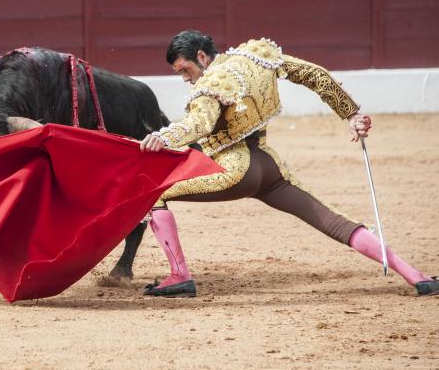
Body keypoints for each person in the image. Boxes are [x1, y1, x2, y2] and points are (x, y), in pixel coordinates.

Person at [139, 30, 439, 298]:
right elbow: (314, 74)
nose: (186, 79)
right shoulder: (255, 57)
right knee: (331, 219)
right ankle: (415, 275)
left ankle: (180, 276)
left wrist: (164, 137)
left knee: (158, 193)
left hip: (235, 170)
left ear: (202, 57)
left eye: (186, 70)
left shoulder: (212, 82)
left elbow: (199, 123)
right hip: (267, 166)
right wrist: (350, 114)